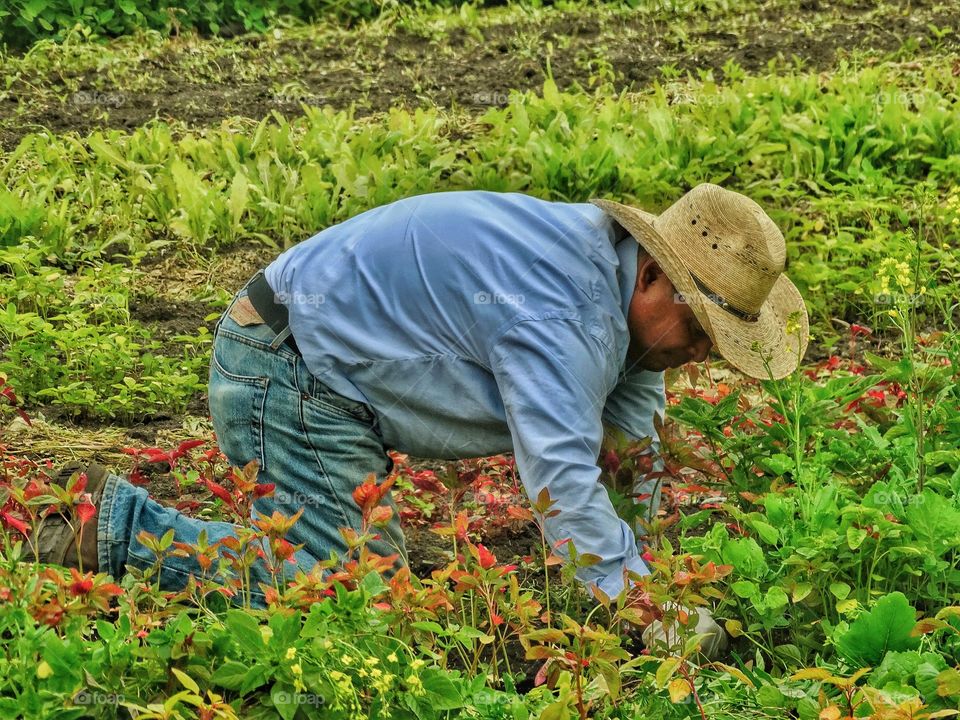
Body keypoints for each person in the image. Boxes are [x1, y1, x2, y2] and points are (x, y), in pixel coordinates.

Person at [30, 183, 809, 659]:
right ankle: (114, 528)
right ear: (652, 275)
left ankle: (109, 515)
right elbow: (563, 482)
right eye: (703, 333)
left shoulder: (618, 307)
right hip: (288, 371)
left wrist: (654, 577)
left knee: (372, 591)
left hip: (323, 367)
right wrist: (649, 611)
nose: (703, 356)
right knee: (356, 607)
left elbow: (628, 449)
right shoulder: (562, 312)